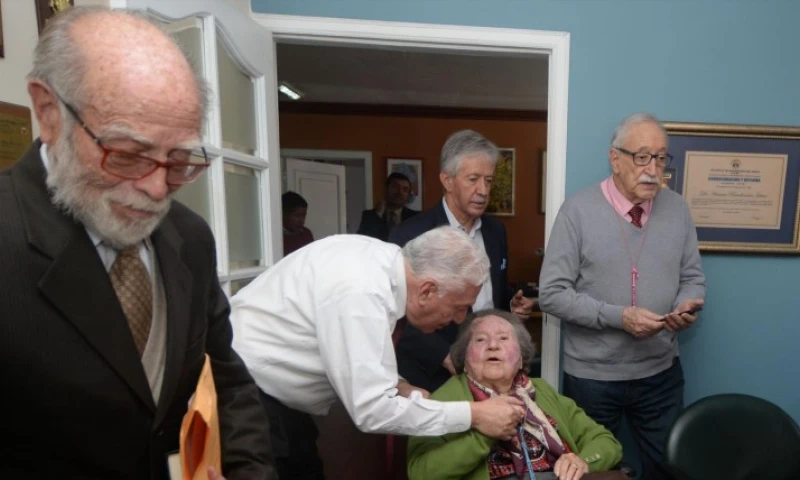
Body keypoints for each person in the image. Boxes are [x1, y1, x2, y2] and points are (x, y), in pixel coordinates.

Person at [0, 7, 273, 479]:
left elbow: (227, 381)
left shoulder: (189, 238)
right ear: (48, 112)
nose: (155, 188)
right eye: (127, 155)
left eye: (180, 160)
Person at [231, 227, 528, 480]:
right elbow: (371, 411)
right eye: (459, 306)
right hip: (248, 396)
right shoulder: (361, 293)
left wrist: (397, 384)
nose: (460, 319)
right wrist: (474, 414)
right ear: (426, 291)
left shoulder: (386, 266)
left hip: (276, 399)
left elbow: (358, 351)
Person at [538, 112, 706, 480]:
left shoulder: (677, 210)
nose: (653, 168)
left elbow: (693, 278)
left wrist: (686, 305)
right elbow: (551, 294)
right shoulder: (577, 212)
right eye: (642, 156)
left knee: (670, 468)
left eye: (661, 158)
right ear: (615, 159)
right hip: (592, 379)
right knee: (594, 473)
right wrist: (620, 317)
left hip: (660, 374)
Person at [389, 129, 535, 393]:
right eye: (473, 179)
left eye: (488, 181)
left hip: (488, 370)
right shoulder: (410, 234)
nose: (482, 191)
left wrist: (512, 307)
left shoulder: (496, 232)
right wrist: (446, 356)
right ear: (447, 180)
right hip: (432, 374)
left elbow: (494, 294)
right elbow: (396, 312)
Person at [407, 310, 622, 480]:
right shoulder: (445, 398)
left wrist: (582, 461)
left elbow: (605, 441)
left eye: (503, 339)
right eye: (481, 340)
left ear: (520, 358)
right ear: (464, 357)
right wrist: (484, 435)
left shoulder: (541, 390)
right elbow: (421, 472)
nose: (493, 346)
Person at [357, 171, 419, 241]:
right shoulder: (369, 216)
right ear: (386, 189)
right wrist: (378, 214)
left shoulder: (415, 217)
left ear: (408, 195)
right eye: (395, 187)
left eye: (405, 189)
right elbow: (362, 240)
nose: (399, 192)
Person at [282, 190, 314, 256]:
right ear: (284, 214)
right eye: (297, 216)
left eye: (304, 215)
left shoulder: (306, 234)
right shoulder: (276, 236)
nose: (301, 220)